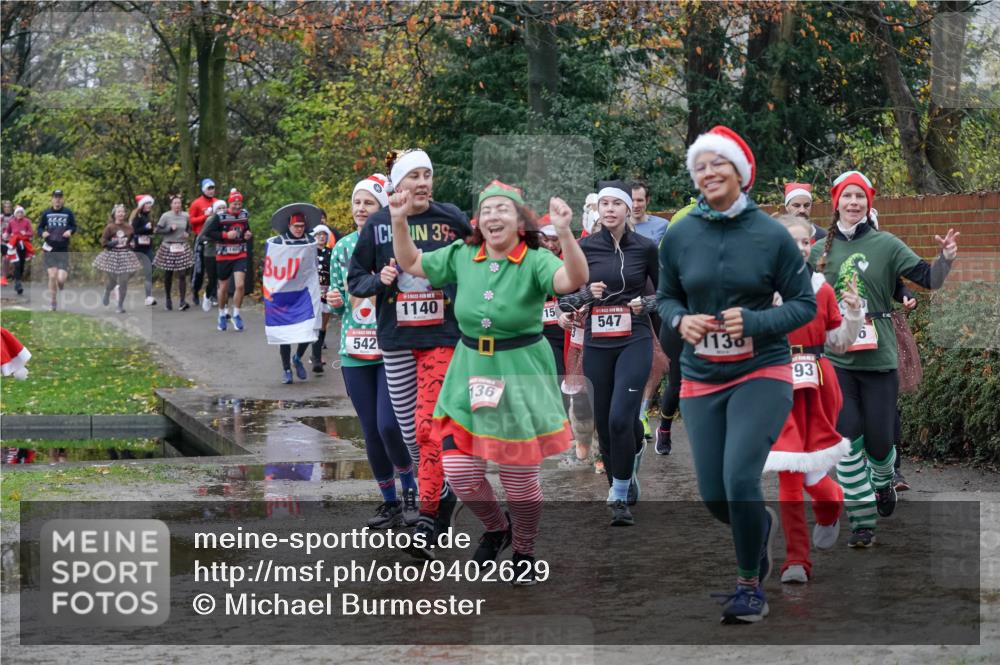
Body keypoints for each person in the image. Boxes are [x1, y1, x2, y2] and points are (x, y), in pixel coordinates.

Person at [657, 125, 816, 623]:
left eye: (717, 163)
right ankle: (756, 527)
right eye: (699, 166)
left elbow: (804, 305)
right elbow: (666, 297)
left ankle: (749, 585)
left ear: (741, 172)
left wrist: (755, 322)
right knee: (715, 495)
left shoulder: (770, 235)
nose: (707, 172)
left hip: (761, 371)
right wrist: (681, 320)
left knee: (739, 477)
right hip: (701, 375)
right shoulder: (680, 233)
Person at [391, 180, 587, 579]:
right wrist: (398, 221)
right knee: (461, 473)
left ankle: (525, 553)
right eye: (488, 209)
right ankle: (498, 529)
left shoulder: (534, 259)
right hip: (470, 368)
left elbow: (573, 280)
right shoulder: (463, 253)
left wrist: (565, 233)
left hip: (519, 369)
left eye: (504, 209)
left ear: (520, 221)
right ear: (479, 220)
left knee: (518, 481)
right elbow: (412, 263)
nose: (495, 216)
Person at [812, 170, 959, 547]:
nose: (854, 203)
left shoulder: (887, 244)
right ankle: (862, 521)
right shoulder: (819, 253)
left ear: (868, 204)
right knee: (846, 441)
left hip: (879, 360)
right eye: (848, 196)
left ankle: (882, 484)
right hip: (837, 361)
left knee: (879, 443)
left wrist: (945, 258)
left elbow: (929, 279)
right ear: (836, 203)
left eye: (860, 197)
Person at [347, 151, 472, 559]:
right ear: (397, 184)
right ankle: (443, 490)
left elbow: (477, 263)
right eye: (414, 175)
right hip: (396, 339)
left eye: (428, 174)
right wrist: (378, 280)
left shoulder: (451, 216)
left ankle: (427, 520)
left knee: (427, 428)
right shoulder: (381, 223)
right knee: (408, 434)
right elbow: (356, 279)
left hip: (442, 335)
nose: (422, 182)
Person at [762, 214, 864, 583]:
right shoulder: (760, 290)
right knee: (789, 475)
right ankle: (796, 561)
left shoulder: (821, 289)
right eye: (792, 242)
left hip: (818, 385)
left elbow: (840, 342)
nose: (801, 248)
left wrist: (853, 311)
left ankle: (831, 502)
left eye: (806, 242)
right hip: (777, 384)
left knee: (811, 471)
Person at [558, 180, 659, 522]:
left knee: (619, 418)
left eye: (618, 204)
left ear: (629, 209)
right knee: (607, 421)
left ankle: (618, 493)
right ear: (598, 211)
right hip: (597, 342)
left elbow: (669, 296)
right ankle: (630, 455)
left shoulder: (645, 248)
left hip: (635, 338)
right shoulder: (584, 248)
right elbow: (564, 299)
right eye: (605, 204)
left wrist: (645, 303)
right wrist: (587, 295)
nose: (611, 210)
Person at [326, 175, 418, 528]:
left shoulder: (396, 242)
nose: (361, 209)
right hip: (353, 351)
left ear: (383, 208)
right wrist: (334, 302)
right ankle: (390, 502)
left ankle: (410, 489)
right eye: (357, 202)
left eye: (369, 203)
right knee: (370, 430)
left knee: (389, 427)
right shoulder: (342, 247)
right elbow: (338, 301)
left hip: (391, 349)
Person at [654, 200, 697, 456]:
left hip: (709, 327)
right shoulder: (667, 256)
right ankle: (666, 426)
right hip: (676, 326)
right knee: (678, 382)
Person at [266, 212, 317, 382]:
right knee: (284, 333)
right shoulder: (279, 242)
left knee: (308, 330)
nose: (299, 229)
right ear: (289, 226)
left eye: (302, 226)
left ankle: (297, 358)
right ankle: (286, 369)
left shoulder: (310, 241)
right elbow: (271, 262)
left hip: (303, 293)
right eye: (296, 226)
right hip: (283, 293)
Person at [204, 188, 252, 332]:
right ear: (230, 203)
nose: (237, 207)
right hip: (224, 255)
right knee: (223, 288)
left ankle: (236, 314)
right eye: (234, 204)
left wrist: (247, 235)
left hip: (240, 254)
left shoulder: (244, 215)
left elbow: (245, 230)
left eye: (239, 204)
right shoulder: (220, 217)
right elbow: (209, 233)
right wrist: (225, 235)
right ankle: (221, 314)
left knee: (240, 285)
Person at [94, 203, 141, 313]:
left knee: (123, 281)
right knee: (113, 281)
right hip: (112, 255)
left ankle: (120, 305)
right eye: (119, 212)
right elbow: (103, 243)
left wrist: (132, 244)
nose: (121, 214)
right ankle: (107, 291)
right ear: (114, 214)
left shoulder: (129, 227)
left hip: (125, 254)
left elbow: (132, 240)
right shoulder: (110, 227)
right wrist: (112, 243)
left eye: (123, 212)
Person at [36, 189, 77, 311]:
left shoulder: (68, 212)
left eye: (59, 197)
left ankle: (61, 286)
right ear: (52, 199)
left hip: (63, 249)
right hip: (50, 249)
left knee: (61, 279)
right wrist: (42, 232)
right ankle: (53, 302)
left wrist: (70, 231)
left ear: (62, 199)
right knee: (52, 276)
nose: (57, 199)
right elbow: (39, 228)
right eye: (55, 197)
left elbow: (74, 226)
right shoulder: (46, 213)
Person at [153, 194, 194, 310]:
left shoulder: (186, 215)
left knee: (182, 274)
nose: (177, 205)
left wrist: (188, 233)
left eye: (179, 203)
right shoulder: (165, 216)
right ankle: (168, 299)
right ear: (171, 205)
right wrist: (169, 229)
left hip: (181, 246)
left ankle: (182, 301)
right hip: (168, 246)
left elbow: (190, 227)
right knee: (168, 274)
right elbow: (157, 230)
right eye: (175, 203)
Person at [189, 178, 219, 309]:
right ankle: (195, 291)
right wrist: (205, 216)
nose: (211, 191)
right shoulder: (196, 203)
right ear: (203, 189)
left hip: (214, 239)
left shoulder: (218, 202)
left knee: (215, 268)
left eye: (213, 188)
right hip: (201, 239)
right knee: (199, 268)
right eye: (209, 188)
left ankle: (212, 294)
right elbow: (191, 221)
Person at [310, 223, 334, 373]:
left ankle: (316, 355)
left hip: (327, 292)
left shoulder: (331, 253)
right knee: (314, 325)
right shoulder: (308, 252)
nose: (321, 237)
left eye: (324, 234)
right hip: (312, 292)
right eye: (318, 234)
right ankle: (316, 358)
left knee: (323, 325)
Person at [129, 195, 157, 306]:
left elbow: (149, 232)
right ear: (142, 205)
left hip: (147, 247)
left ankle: (148, 297)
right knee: (132, 269)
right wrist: (145, 228)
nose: (149, 206)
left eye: (150, 204)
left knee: (150, 269)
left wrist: (152, 230)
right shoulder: (137, 216)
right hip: (137, 247)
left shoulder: (148, 216)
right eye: (147, 203)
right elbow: (133, 230)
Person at [3, 206, 34, 296]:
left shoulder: (27, 221)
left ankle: (17, 280)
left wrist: (26, 233)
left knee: (21, 265)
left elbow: (31, 233)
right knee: (16, 264)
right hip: (14, 244)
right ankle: (18, 284)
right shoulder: (11, 222)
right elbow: (7, 232)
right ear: (15, 214)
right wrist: (5, 235)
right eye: (18, 212)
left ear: (23, 214)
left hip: (23, 245)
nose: (20, 214)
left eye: (21, 212)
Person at [630, 180, 669, 246]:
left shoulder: (663, 225)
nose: (635, 205)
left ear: (647, 200)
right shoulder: (618, 226)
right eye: (631, 200)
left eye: (640, 200)